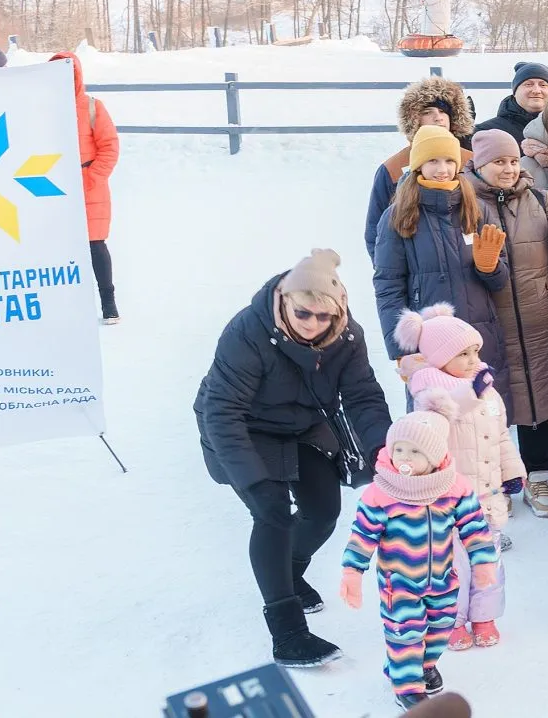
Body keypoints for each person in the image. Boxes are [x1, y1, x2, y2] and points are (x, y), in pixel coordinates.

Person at [196, 249, 392, 667]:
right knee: (273, 514)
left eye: (325, 317)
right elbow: (222, 411)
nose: (314, 325)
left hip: (302, 424)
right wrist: (254, 481)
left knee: (322, 512)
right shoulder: (248, 331)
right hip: (242, 426)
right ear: (286, 300)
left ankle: (290, 572)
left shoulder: (347, 336)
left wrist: (382, 450)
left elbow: (363, 395)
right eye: (304, 313)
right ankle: (287, 635)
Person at [337, 409, 499, 708]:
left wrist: (483, 561)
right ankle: (407, 687)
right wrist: (352, 572)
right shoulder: (381, 493)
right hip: (397, 584)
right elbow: (362, 536)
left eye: (415, 451)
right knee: (405, 632)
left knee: (441, 627)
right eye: (399, 449)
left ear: (436, 457)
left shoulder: (453, 488)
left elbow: (474, 526)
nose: (405, 457)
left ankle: (421, 666)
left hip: (442, 578)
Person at [468, 130, 548, 515]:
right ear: (480, 164)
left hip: (539, 317)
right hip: (487, 324)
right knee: (491, 407)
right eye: (498, 162)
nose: (507, 169)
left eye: (513, 161)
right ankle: (496, 482)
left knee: (540, 402)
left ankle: (538, 480)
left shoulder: (537, 198)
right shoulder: (464, 204)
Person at [391, 309, 521, 648]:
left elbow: (501, 435)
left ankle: (484, 616)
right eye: (462, 354)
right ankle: (453, 621)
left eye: (475, 352)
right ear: (437, 358)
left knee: (487, 562)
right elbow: (440, 419)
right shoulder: (427, 394)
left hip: (488, 497)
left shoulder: (486, 389)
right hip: (448, 501)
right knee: (452, 569)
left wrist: (512, 472)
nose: (472, 360)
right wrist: (472, 393)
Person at [374, 125, 509, 384]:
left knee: (482, 416)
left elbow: (501, 281)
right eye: (432, 160)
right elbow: (387, 286)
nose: (442, 169)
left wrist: (490, 267)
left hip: (477, 339)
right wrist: (402, 349)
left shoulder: (477, 210)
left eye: (449, 160)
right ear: (418, 165)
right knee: (436, 416)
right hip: (429, 344)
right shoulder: (396, 217)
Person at [366, 76, 475, 258]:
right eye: (428, 111)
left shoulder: (473, 161)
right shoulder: (392, 168)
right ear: (413, 118)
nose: (438, 117)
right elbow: (375, 233)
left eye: (443, 111)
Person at [49, 52, 122, 323]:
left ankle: (108, 302)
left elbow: (109, 147)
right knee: (58, 246)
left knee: (94, 245)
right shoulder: (42, 109)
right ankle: (68, 305)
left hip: (89, 186)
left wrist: (90, 179)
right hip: (53, 187)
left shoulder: (92, 107)